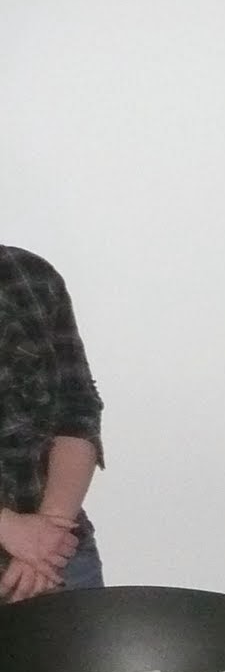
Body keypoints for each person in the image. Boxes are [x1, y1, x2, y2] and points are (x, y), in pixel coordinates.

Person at [0, 246, 104, 601]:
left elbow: (77, 409)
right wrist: (8, 528)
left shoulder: (29, 276)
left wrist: (50, 532)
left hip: (58, 560)